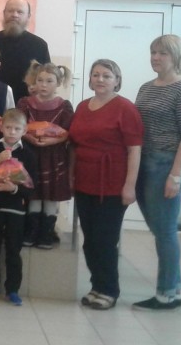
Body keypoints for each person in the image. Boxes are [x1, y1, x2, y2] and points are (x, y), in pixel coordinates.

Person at [133, 35, 181, 311]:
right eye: (153, 52)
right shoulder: (146, 88)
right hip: (143, 163)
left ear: (176, 57)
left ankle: (166, 294)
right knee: (159, 229)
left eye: (162, 53)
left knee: (165, 231)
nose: (155, 57)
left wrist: (176, 175)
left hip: (166, 164)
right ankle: (175, 288)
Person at [70, 59, 143, 311]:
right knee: (89, 239)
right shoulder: (82, 107)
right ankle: (96, 286)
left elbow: (134, 150)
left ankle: (109, 290)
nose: (100, 79)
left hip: (112, 184)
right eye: (96, 75)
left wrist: (130, 186)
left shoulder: (125, 109)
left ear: (117, 80)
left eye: (106, 75)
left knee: (104, 239)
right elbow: (74, 144)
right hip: (84, 181)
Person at [0, 108, 37, 306]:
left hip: (15, 210)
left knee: (14, 250)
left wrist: (14, 189)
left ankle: (13, 289)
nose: (12, 132)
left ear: (24, 130)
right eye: (8, 127)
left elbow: (31, 187)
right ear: (1, 127)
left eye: (17, 128)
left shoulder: (28, 154)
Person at [18, 62, 73, 249]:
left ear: (58, 83)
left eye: (49, 81)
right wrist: (29, 138)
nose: (44, 84)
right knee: (33, 194)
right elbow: (18, 126)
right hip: (31, 155)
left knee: (50, 196)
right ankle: (31, 231)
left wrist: (52, 141)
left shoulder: (64, 106)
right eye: (40, 80)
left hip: (54, 156)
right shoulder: (25, 103)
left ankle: (46, 233)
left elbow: (69, 132)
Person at [0, 0, 50, 100]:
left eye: (20, 12)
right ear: (4, 13)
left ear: (28, 16)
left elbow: (48, 79)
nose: (14, 15)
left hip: (27, 104)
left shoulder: (40, 45)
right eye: (10, 11)